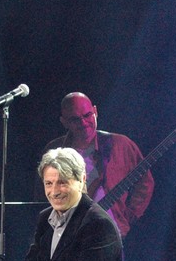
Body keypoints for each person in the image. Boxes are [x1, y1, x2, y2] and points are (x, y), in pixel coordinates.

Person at [45, 92, 154, 238]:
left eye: (87, 115)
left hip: (112, 236)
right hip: (68, 240)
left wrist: (128, 216)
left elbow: (145, 182)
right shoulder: (54, 151)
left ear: (95, 111)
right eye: (75, 119)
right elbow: (43, 197)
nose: (83, 123)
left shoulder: (120, 144)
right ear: (64, 122)